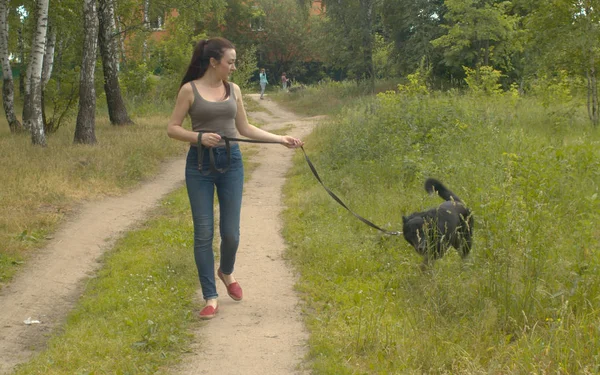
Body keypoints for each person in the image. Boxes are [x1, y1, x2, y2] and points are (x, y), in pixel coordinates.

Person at [167, 37, 304, 320]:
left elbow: (244, 127)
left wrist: (281, 139)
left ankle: (225, 272)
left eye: (234, 62)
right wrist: (199, 137)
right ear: (214, 62)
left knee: (231, 232)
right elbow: (172, 128)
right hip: (199, 166)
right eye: (230, 62)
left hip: (232, 164)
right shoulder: (189, 90)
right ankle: (210, 296)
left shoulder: (235, 90)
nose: (234, 67)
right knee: (203, 232)